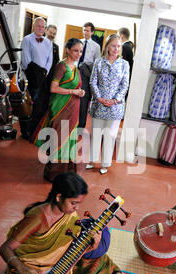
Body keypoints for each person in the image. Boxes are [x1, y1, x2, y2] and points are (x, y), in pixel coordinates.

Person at [0, 172, 126, 274]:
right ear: (59, 197)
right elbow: (5, 248)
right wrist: (22, 269)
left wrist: (92, 247)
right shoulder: (36, 218)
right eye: (73, 203)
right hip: (31, 271)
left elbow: (70, 253)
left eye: (79, 203)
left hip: (54, 268)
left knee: (101, 256)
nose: (76, 208)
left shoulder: (71, 216)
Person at [31, 38, 85, 183]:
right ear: (67, 50)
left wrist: (79, 92)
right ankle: (54, 173)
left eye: (80, 51)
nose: (78, 54)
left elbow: (73, 88)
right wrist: (72, 92)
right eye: (75, 50)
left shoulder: (75, 68)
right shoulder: (62, 66)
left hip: (73, 109)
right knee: (59, 138)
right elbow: (53, 88)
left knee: (70, 139)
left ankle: (66, 173)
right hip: (60, 109)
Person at [86, 34, 130, 175]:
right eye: (113, 45)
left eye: (118, 46)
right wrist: (99, 98)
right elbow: (93, 81)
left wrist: (115, 99)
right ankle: (92, 160)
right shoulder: (99, 62)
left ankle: (105, 163)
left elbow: (125, 85)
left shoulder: (124, 64)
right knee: (96, 134)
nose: (116, 48)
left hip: (115, 107)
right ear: (107, 47)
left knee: (110, 136)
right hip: (99, 105)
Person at [20, 17, 53, 140]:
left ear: (45, 29)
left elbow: (50, 60)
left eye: (43, 27)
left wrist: (44, 72)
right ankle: (26, 132)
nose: (40, 28)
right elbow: (26, 60)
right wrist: (37, 73)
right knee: (28, 105)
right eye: (38, 26)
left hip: (43, 78)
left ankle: (35, 130)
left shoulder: (48, 42)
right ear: (34, 26)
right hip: (30, 76)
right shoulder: (27, 40)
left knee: (39, 106)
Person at [78, 22, 101, 128]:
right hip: (75, 73)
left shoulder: (96, 46)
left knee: (83, 101)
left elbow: (97, 64)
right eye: (84, 30)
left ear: (92, 32)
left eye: (87, 30)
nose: (85, 32)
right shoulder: (78, 43)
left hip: (86, 75)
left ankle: (81, 125)